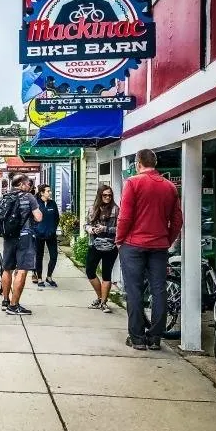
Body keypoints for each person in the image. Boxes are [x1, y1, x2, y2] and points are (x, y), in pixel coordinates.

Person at [116, 149, 183, 351]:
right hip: (159, 245)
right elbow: (178, 220)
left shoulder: (133, 183)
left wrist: (119, 239)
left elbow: (125, 217)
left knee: (134, 290)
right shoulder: (170, 187)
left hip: (133, 244)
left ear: (138, 163)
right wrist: (166, 240)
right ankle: (155, 337)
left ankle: (137, 337)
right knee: (159, 289)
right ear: (155, 162)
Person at [0, 174, 42, 315]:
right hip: (24, 237)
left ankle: (5, 301)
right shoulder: (29, 197)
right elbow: (38, 217)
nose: (30, 186)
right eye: (28, 184)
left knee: (7, 269)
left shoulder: (5, 196)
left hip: (8, 237)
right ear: (22, 184)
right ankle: (14, 305)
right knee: (23, 270)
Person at [84, 184, 120, 313]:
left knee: (106, 273)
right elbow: (86, 224)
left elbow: (120, 228)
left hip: (110, 245)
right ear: (100, 195)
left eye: (110, 195)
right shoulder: (93, 209)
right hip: (95, 244)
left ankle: (104, 303)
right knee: (89, 271)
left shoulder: (116, 210)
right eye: (105, 195)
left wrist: (105, 229)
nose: (108, 197)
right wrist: (92, 229)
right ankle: (100, 298)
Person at [33, 184, 60, 288]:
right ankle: (39, 278)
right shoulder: (36, 204)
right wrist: (36, 230)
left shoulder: (52, 204)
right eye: (48, 191)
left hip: (51, 235)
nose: (50, 193)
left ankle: (49, 277)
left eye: (50, 191)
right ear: (42, 193)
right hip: (39, 235)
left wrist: (53, 229)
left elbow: (57, 218)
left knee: (54, 256)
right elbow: (32, 219)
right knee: (39, 257)